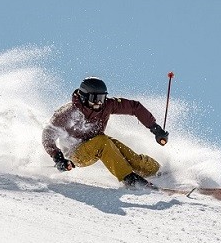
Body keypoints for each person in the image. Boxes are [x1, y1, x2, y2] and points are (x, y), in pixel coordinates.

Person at [42, 77, 170, 188]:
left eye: (102, 98)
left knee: (120, 149)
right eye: (95, 98)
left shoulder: (107, 105)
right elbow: (48, 134)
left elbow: (134, 107)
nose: (99, 102)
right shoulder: (68, 113)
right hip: (75, 154)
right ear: (84, 97)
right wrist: (58, 157)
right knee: (103, 142)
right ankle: (129, 179)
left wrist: (155, 128)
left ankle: (156, 171)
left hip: (98, 143)